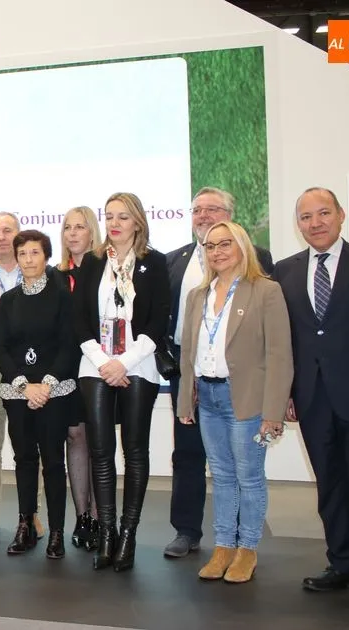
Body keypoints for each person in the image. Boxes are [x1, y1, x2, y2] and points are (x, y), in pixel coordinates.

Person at [273, 187, 349, 621]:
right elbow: (286, 341)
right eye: (306, 217)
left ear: (341, 215)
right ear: (298, 224)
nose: (316, 223)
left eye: (324, 213)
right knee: (330, 485)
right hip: (312, 398)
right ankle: (342, 562)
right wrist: (287, 393)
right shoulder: (285, 271)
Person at [176, 221, 292, 583]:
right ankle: (224, 546)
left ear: (242, 247)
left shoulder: (266, 290)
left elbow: (280, 355)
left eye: (225, 244)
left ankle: (247, 550)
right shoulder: (198, 295)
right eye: (210, 246)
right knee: (222, 476)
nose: (217, 252)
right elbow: (188, 353)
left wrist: (273, 412)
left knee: (249, 477)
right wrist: (185, 401)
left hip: (245, 398)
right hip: (207, 397)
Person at [163, 187, 275, 559]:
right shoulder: (174, 261)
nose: (204, 215)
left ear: (231, 216)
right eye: (197, 209)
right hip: (191, 374)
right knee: (189, 455)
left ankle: (244, 543)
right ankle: (189, 531)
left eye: (213, 209)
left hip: (240, 379)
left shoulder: (259, 263)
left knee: (243, 468)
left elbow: (271, 335)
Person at [73, 192, 170, 572]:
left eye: (123, 217)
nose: (114, 223)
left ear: (138, 222)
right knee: (100, 452)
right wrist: (104, 362)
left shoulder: (154, 263)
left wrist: (124, 363)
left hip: (139, 364)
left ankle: (128, 535)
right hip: (94, 364)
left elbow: (157, 321)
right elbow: (80, 320)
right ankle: (107, 534)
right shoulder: (93, 261)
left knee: (134, 451)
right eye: (109, 216)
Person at [0, 229, 78, 559]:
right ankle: (25, 525)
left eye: (35, 253)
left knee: (54, 462)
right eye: (23, 254)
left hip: (53, 392)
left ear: (46, 257)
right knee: (24, 460)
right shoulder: (8, 300)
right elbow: (1, 348)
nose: (28, 260)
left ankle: (56, 532)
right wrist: (23, 385)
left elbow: (68, 345)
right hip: (19, 393)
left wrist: (45, 384)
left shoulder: (62, 297)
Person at [0, 212, 44, 540]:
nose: (1, 237)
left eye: (7, 231)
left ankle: (32, 512)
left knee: (29, 444)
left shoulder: (39, 271)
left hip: (29, 369)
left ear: (19, 235)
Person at [57, 206, 103, 551]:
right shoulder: (55, 274)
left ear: (92, 233)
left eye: (80, 227)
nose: (73, 233)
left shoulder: (106, 269)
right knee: (75, 437)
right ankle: (82, 516)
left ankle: (102, 517)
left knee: (99, 442)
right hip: (66, 366)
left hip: (99, 364)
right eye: (67, 227)